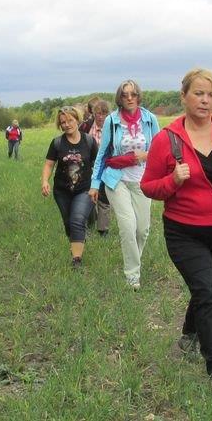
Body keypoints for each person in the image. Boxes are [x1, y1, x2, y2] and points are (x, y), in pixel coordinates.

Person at [140, 68, 212, 398]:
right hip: (185, 231)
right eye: (198, 94)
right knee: (207, 293)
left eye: (210, 94)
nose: (205, 100)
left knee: (209, 288)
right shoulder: (167, 139)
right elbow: (149, 187)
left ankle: (190, 331)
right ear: (184, 97)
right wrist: (174, 180)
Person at [89, 80, 160, 290]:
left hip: (142, 180)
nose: (129, 98)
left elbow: (160, 150)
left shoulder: (150, 119)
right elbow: (102, 155)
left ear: (139, 96)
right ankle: (132, 275)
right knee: (128, 227)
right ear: (119, 98)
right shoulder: (112, 121)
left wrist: (144, 155)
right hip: (116, 180)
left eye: (133, 94)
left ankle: (133, 262)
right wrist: (94, 184)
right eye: (125, 94)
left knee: (142, 230)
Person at [41, 107, 98, 269]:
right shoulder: (57, 143)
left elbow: (98, 164)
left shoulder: (89, 141)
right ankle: (77, 238)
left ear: (77, 120)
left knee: (77, 219)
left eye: (70, 120)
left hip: (84, 189)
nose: (67, 125)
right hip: (62, 192)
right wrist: (45, 181)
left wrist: (97, 185)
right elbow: (49, 164)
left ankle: (77, 260)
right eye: (63, 122)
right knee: (69, 224)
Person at [85, 99, 112, 237]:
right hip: (90, 168)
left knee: (104, 199)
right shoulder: (86, 127)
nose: (100, 116)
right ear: (93, 114)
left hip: (107, 169)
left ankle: (103, 229)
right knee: (90, 197)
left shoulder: (113, 127)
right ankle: (90, 223)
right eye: (98, 113)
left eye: (103, 113)